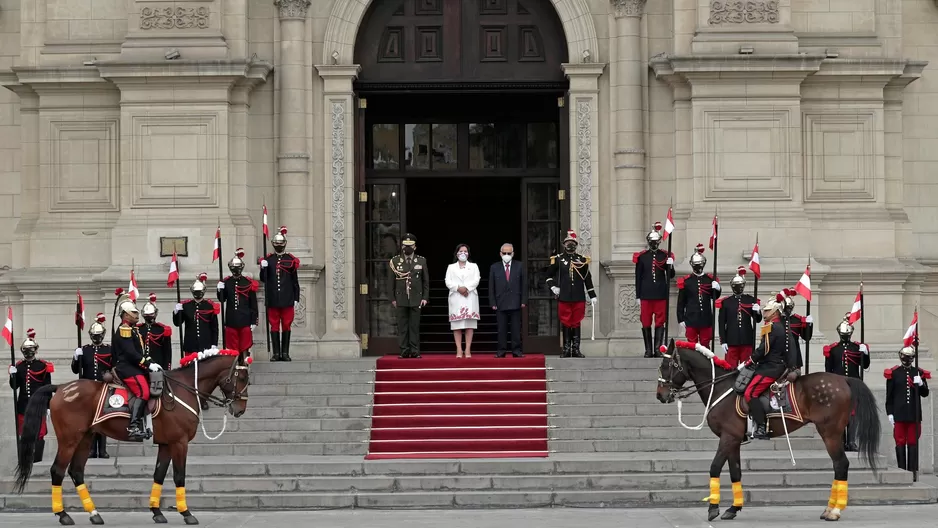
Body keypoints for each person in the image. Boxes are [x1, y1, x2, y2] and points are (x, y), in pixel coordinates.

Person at [742, 290, 799, 440]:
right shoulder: (782, 327)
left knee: (750, 393)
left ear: (774, 312)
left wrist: (750, 360)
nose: (764, 312)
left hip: (770, 368)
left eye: (767, 310)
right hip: (776, 365)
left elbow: (764, 349)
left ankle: (761, 426)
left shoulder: (772, 327)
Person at [112, 291, 162, 441]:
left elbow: (140, 352)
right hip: (127, 367)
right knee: (143, 392)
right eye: (133, 312)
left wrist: (151, 362)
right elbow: (130, 353)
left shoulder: (133, 329)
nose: (136, 314)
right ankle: (133, 426)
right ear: (125, 315)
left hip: (134, 366)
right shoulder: (125, 329)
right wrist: (146, 364)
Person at [545, 229, 597, 358]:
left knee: (576, 322)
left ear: (576, 244)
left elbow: (587, 278)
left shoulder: (582, 260)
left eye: (572, 242)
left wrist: (592, 295)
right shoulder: (557, 259)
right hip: (564, 296)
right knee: (566, 322)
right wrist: (553, 288)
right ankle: (567, 349)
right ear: (564, 244)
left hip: (578, 296)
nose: (570, 245)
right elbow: (548, 276)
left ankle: (576, 349)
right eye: (568, 242)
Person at [823, 314, 870, 452]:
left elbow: (865, 366)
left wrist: (865, 353)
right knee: (840, 413)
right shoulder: (833, 349)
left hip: (854, 384)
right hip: (839, 385)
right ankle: (842, 441)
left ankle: (851, 441)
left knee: (853, 413)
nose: (845, 336)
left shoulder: (857, 348)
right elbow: (828, 370)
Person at [10, 329, 53, 462]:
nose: (28, 352)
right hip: (23, 405)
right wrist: (13, 375)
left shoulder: (43, 365)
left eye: (31, 349)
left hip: (39, 405)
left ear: (35, 350)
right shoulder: (19, 366)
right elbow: (14, 386)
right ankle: (25, 459)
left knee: (39, 434)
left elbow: (47, 387)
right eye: (26, 349)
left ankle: (37, 460)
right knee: (24, 433)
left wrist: (48, 406)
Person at [885, 346, 930, 472]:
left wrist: (921, 384)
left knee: (912, 442)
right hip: (899, 414)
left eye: (909, 357)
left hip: (914, 414)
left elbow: (925, 393)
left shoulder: (918, 373)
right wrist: (890, 413)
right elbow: (890, 396)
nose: (907, 360)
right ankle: (902, 471)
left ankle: (913, 471)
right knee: (900, 442)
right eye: (905, 357)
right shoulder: (894, 373)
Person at [72, 314, 112, 458]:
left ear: (103, 335)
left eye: (99, 335)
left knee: (102, 418)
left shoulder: (108, 350)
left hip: (102, 388)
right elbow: (76, 370)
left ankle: (101, 450)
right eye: (94, 335)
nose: (97, 338)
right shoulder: (85, 350)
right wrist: (76, 358)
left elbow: (114, 368)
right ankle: (90, 449)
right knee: (89, 420)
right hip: (88, 389)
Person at [633, 222, 675, 357]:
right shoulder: (642, 257)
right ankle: (648, 350)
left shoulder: (664, 256)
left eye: (656, 241)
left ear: (659, 242)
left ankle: (657, 349)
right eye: (652, 241)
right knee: (645, 322)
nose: (654, 244)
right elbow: (638, 277)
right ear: (648, 241)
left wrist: (671, 266)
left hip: (660, 293)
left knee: (660, 321)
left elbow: (671, 276)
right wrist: (638, 295)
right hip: (646, 294)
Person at [260, 226, 300, 362]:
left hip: (287, 298)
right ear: (273, 244)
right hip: (273, 299)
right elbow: (263, 279)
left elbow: (295, 281)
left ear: (285, 244)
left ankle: (285, 353)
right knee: (274, 325)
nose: (278, 246)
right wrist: (263, 268)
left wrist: (296, 297)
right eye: (276, 244)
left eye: (280, 244)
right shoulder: (269, 260)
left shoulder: (290, 260)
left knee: (287, 325)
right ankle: (276, 353)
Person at [390, 233, 429, 358]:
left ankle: (415, 350)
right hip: (400, 298)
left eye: (410, 246)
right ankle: (404, 350)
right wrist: (392, 298)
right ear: (401, 246)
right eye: (405, 246)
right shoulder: (395, 261)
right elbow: (390, 281)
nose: (407, 248)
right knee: (402, 326)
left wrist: (425, 297)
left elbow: (425, 281)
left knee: (414, 326)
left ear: (415, 247)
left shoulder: (421, 260)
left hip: (416, 298)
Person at [218, 248, 259, 360]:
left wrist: (254, 320)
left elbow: (253, 304)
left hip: (245, 319)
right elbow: (222, 299)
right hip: (231, 320)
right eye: (233, 268)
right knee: (232, 348)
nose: (235, 270)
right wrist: (220, 290)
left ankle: (244, 365)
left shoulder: (247, 283)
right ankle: (234, 365)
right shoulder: (227, 282)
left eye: (237, 267)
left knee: (244, 346)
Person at [676, 244, 721, 346]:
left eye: (699, 264)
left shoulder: (709, 279)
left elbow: (714, 297)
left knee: (705, 345)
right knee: (692, 345)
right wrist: (680, 318)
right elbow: (681, 301)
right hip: (691, 318)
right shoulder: (686, 281)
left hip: (706, 318)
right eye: (696, 265)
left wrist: (717, 289)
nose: (698, 267)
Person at [716, 266, 761, 367]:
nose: (738, 287)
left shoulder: (750, 300)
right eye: (736, 285)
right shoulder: (726, 302)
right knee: (730, 369)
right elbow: (721, 323)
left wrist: (757, 312)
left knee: (747, 369)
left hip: (747, 339)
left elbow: (757, 320)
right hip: (731, 340)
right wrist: (723, 341)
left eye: (740, 285)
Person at [489, 242, 527, 358]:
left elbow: (524, 284)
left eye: (509, 253)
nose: (506, 255)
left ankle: (516, 351)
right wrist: (492, 302)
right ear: (500, 254)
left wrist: (523, 300)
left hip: (515, 302)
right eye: (504, 253)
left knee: (516, 329)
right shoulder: (494, 267)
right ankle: (501, 351)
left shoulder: (519, 266)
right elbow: (491, 286)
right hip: (500, 303)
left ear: (513, 253)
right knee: (501, 329)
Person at [445, 244, 481, 358]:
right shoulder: (451, 267)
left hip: (470, 297)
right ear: (457, 253)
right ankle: (459, 350)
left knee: (469, 325)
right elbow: (448, 281)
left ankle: (468, 349)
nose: (463, 253)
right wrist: (458, 288)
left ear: (468, 253)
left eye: (465, 251)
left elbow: (477, 279)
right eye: (461, 251)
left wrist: (466, 288)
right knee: (457, 325)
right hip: (456, 297)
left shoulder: (474, 266)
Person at [173, 273, 220, 355]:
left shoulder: (209, 306)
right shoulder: (186, 306)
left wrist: (214, 344)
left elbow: (214, 328)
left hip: (206, 345)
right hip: (190, 345)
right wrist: (176, 312)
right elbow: (178, 323)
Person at [138, 293, 173, 371]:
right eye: (146, 314)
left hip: (157, 364)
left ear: (155, 314)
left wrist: (166, 368)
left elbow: (167, 351)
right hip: (141, 365)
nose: (148, 316)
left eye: (150, 314)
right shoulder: (138, 328)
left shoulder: (162, 329)